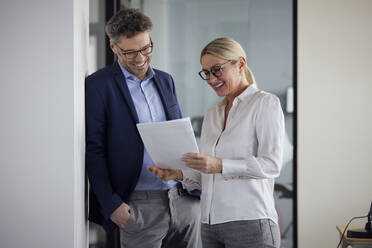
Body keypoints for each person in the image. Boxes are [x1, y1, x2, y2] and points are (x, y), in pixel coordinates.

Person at [148, 37, 284, 248]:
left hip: (250, 223)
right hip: (210, 225)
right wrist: (177, 174)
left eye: (217, 70)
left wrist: (220, 165)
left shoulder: (264, 103)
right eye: (206, 73)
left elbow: (272, 164)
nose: (211, 79)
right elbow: (209, 176)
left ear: (240, 63)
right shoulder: (213, 114)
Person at [85, 8, 200, 248]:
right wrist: (111, 204)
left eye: (146, 48)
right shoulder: (98, 85)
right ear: (114, 47)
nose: (140, 58)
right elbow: (94, 150)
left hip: (183, 200)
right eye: (130, 52)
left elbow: (177, 134)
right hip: (138, 204)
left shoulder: (165, 80)